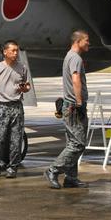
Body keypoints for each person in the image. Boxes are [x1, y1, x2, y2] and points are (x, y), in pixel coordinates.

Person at [45, 30, 91, 190]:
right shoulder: (75, 58)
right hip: (74, 106)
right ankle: (53, 170)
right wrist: (79, 101)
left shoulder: (71, 56)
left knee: (72, 142)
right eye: (86, 40)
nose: (88, 43)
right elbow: (76, 79)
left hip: (71, 105)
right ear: (78, 41)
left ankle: (71, 177)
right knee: (78, 144)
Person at [0, 40, 32, 179]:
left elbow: (27, 87)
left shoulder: (22, 68)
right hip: (0, 107)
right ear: (5, 52)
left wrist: (24, 88)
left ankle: (12, 167)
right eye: (13, 50)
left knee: (16, 139)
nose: (16, 53)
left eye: (17, 50)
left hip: (16, 107)